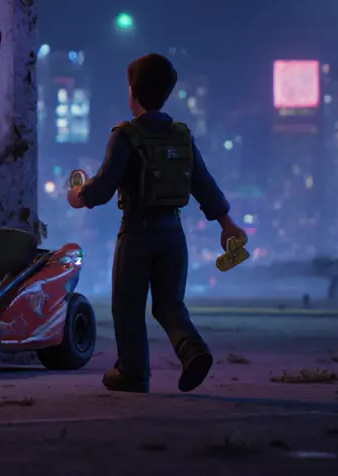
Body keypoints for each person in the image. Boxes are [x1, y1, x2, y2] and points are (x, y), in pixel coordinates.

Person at [67, 54, 247, 393]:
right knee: (169, 304)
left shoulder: (125, 135)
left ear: (133, 92)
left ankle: (134, 372)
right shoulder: (180, 135)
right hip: (173, 235)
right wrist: (227, 224)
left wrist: (78, 195)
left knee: (127, 305)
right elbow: (203, 184)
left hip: (136, 232)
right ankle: (192, 349)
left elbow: (103, 187)